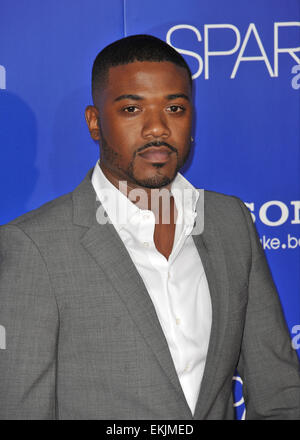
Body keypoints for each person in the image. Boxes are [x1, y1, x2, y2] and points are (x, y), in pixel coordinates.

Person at [0, 34, 299, 420]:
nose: (157, 128)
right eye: (131, 110)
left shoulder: (231, 223)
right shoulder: (33, 247)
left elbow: (279, 390)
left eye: (175, 108)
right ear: (94, 122)